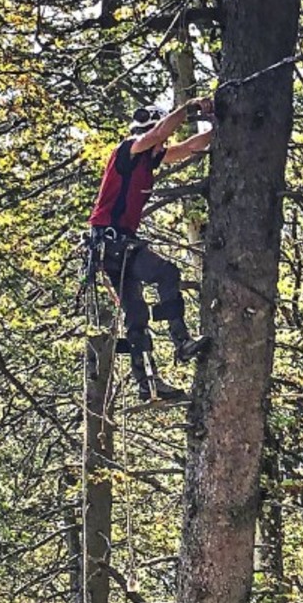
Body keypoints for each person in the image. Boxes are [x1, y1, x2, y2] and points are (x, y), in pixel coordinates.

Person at [88, 99, 214, 402]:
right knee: (166, 273)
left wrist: (216, 127)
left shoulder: (149, 158)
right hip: (113, 243)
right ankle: (180, 340)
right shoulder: (129, 150)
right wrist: (189, 108)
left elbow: (186, 148)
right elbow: (156, 136)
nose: (162, 144)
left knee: (136, 315)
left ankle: (147, 383)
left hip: (114, 248)